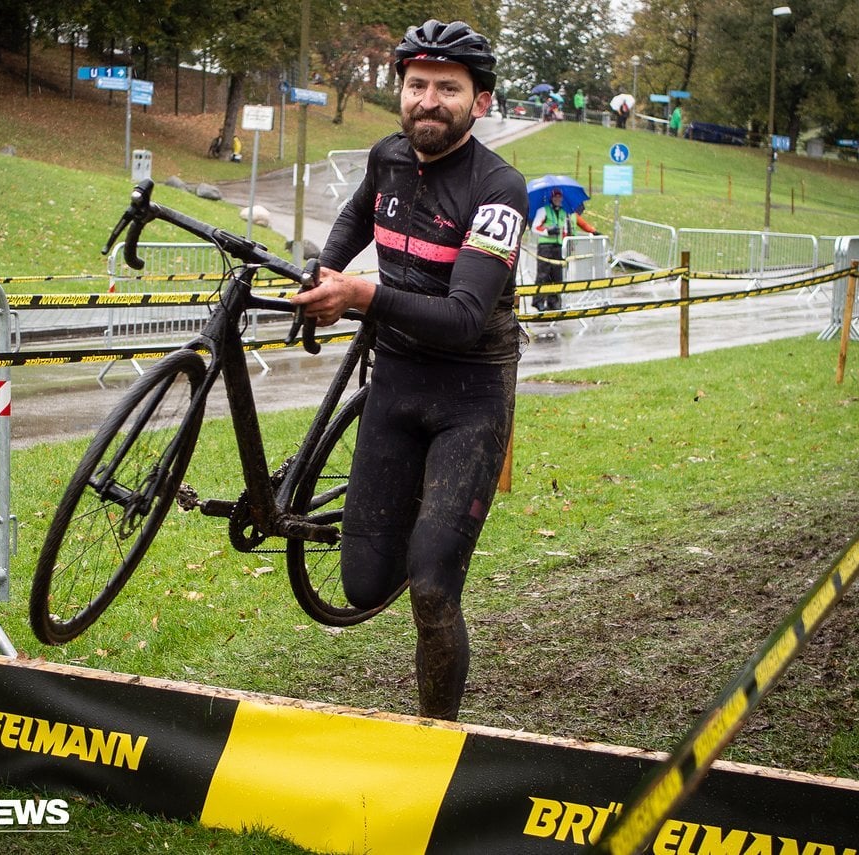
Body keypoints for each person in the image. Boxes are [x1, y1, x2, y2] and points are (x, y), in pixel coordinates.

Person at [289, 19, 527, 722]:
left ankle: (436, 737)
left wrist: (360, 293)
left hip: (470, 395)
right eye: (416, 85)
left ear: (479, 102)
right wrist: (327, 271)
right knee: (365, 583)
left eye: (447, 89)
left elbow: (461, 316)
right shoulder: (388, 157)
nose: (428, 100)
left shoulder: (500, 188)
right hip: (394, 382)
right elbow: (355, 216)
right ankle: (420, 519)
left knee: (430, 586)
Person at [530, 188, 597, 311]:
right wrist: (548, 231)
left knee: (557, 276)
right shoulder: (543, 210)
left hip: (559, 246)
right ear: (552, 198)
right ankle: (538, 301)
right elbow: (535, 227)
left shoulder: (563, 212)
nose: (558, 199)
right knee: (543, 275)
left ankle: (553, 301)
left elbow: (567, 229)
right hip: (545, 246)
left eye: (559, 197)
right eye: (555, 197)